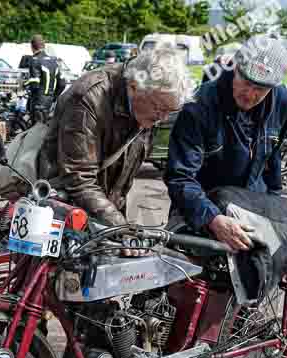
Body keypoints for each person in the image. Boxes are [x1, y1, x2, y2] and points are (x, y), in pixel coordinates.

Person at [34, 47, 191, 227]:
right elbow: (79, 178)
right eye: (159, 108)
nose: (162, 118)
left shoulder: (145, 104)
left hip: (100, 215)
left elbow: (120, 183)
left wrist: (119, 227)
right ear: (134, 87)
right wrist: (119, 226)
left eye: (170, 111)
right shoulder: (90, 97)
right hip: (62, 214)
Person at [164, 36, 287, 252]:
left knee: (264, 271)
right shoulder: (199, 105)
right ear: (235, 68)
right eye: (247, 82)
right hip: (201, 207)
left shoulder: (282, 101)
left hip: (253, 206)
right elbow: (180, 176)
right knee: (189, 280)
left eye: (260, 89)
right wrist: (212, 218)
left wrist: (273, 206)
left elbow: (274, 160)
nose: (250, 94)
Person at [21, 34, 64, 124]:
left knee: (35, 131)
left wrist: (24, 85)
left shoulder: (34, 60)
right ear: (44, 46)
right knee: (45, 128)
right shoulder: (54, 61)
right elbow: (62, 84)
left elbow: (35, 83)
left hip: (38, 101)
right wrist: (54, 97)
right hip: (49, 101)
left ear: (32, 47)